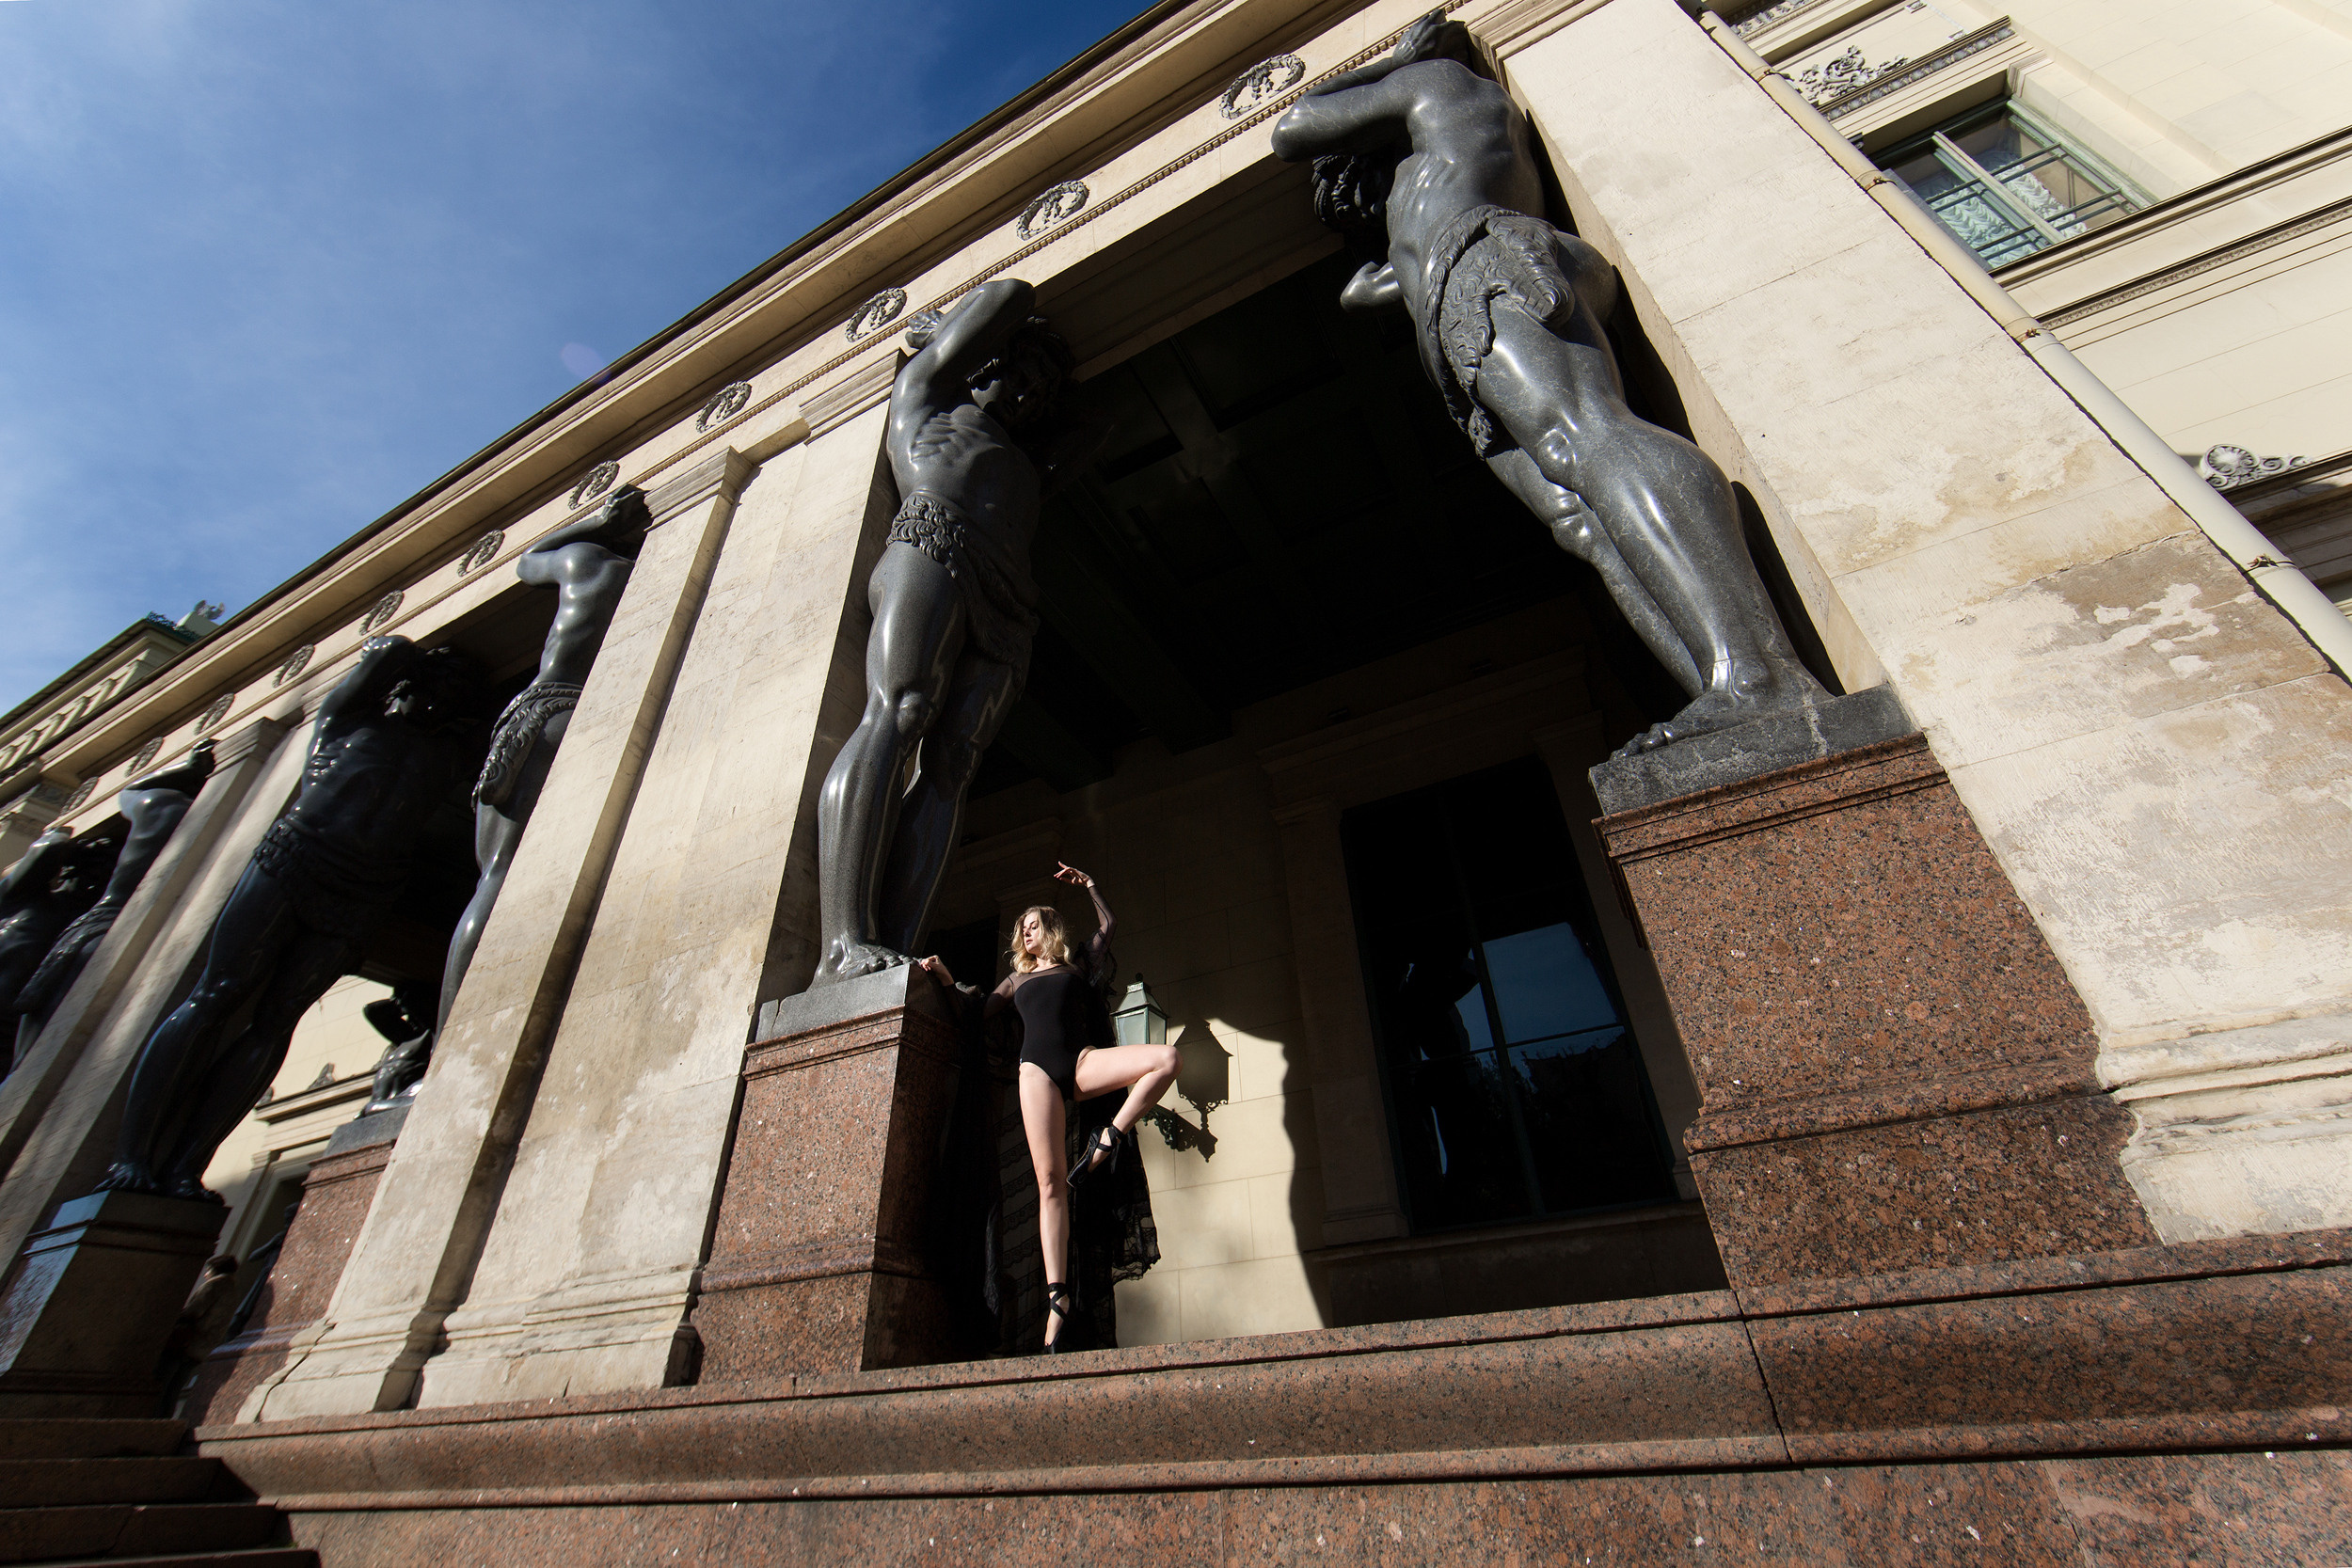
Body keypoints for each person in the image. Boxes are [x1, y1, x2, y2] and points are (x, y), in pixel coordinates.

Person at [1271, 11, 1827, 755]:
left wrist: (1386, 65)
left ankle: (1759, 679)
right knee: (1581, 521)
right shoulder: (1413, 201)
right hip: (1455, 310)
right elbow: (1359, 290)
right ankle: (1720, 692)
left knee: (1588, 437)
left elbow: (1292, 127)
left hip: (1488, 258)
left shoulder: (1435, 89)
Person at [100, 636, 483, 1198]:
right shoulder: (347, 721)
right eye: (438, 685)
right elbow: (388, 649)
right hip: (296, 856)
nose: (443, 700)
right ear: (408, 685)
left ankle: (187, 1164)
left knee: (278, 1020)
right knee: (218, 993)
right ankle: (131, 1155)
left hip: (367, 885)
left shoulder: (446, 755)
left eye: (457, 692)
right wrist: (417, 655)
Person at [813, 278, 1097, 987]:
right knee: (898, 713)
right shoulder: (927, 393)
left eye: (1042, 388)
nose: (1030, 394)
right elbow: (1011, 290)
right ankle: (844, 942)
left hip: (1007, 604)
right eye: (1021, 374)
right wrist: (956, 329)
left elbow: (1097, 431)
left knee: (952, 766)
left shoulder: (1026, 465)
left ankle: (897, 953)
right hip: (932, 546)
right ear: (984, 360)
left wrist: (1042, 384)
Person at [915, 863, 1176, 1352]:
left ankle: (1109, 1136)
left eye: (1033, 924)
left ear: (1051, 930)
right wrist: (948, 979)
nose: (1026, 932)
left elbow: (1108, 928)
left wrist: (1092, 885)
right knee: (1050, 1184)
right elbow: (972, 1014)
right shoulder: (1015, 981)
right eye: (1022, 928)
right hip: (1036, 1072)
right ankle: (1058, 1301)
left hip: (1081, 1063)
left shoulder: (1076, 968)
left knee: (1166, 1058)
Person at [439, 483, 649, 1038]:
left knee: (498, 873)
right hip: (602, 717)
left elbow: (524, 565)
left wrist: (595, 523)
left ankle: (451, 1032)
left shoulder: (588, 561)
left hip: (547, 706)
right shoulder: (651, 575)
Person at [9, 738, 216, 1067]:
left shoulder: (154, 809)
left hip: (91, 938)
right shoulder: (26, 903)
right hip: (132, 934)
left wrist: (68, 844)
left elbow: (55, 842)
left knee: (33, 1051)